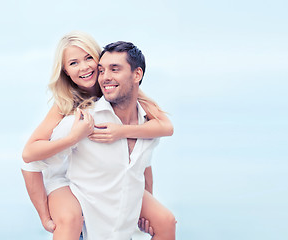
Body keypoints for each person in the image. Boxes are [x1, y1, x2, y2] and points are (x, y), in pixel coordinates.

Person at [21, 32, 176, 240]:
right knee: (70, 218)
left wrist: (121, 131)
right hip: (66, 178)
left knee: (166, 221)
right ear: (65, 71)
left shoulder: (128, 95)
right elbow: (29, 156)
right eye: (74, 63)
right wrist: (44, 217)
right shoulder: (68, 105)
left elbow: (158, 137)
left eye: (88, 58)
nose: (85, 67)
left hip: (106, 178)